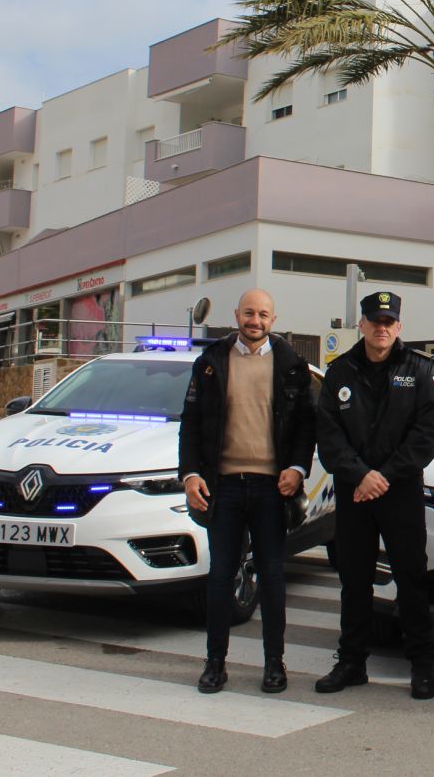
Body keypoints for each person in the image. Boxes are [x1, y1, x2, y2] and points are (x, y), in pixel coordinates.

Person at [179, 288, 315, 694]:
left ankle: (275, 665)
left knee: (273, 577)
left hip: (272, 489)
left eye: (263, 314)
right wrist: (189, 475)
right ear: (237, 314)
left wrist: (297, 468)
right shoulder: (210, 363)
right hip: (225, 487)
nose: (255, 321)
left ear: (274, 320)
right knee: (220, 576)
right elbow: (191, 423)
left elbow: (306, 425)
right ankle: (214, 663)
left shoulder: (291, 364)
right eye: (249, 313)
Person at [315, 290, 434, 700]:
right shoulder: (340, 373)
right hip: (355, 495)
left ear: (399, 327)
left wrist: (383, 476)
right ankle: (351, 663)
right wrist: (360, 476)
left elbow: (427, 437)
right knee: (354, 581)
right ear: (362, 325)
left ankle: (422, 667)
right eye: (375, 321)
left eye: (389, 322)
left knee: (411, 579)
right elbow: (329, 438)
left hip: (399, 492)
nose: (382, 327)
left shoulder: (419, 370)